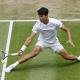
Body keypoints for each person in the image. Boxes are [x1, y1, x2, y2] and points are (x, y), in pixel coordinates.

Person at [6, 7, 80, 72]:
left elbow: (66, 29)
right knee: (32, 54)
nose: (39, 18)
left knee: (67, 57)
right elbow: (30, 38)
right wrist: (22, 49)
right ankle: (12, 66)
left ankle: (77, 58)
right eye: (39, 16)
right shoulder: (38, 24)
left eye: (41, 16)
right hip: (42, 41)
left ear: (46, 16)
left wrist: (70, 39)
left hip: (54, 43)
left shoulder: (55, 22)